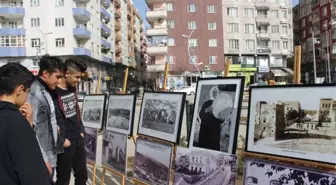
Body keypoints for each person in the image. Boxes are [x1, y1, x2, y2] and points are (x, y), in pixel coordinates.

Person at [0, 63, 53, 185]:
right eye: (27, 92)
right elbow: (33, 174)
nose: (27, 97)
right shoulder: (16, 122)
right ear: (20, 89)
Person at [27, 55, 66, 178]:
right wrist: (43, 159)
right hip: (41, 159)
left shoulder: (46, 90)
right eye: (57, 77)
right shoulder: (34, 93)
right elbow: (29, 129)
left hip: (50, 155)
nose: (59, 81)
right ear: (45, 73)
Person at [55, 56, 88, 185]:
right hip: (65, 144)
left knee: (82, 177)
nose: (79, 81)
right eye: (77, 77)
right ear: (67, 74)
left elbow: (76, 111)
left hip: (78, 140)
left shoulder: (72, 89)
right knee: (63, 180)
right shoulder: (54, 91)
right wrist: (61, 139)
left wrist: (81, 131)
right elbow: (53, 119)